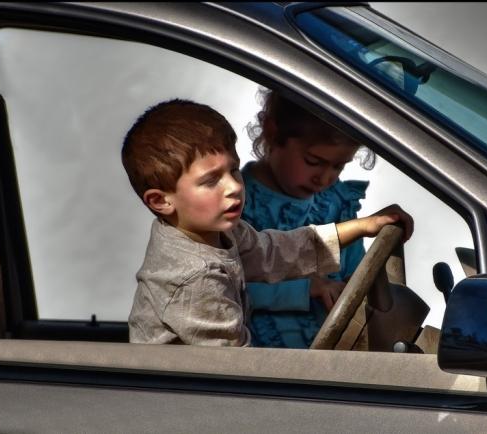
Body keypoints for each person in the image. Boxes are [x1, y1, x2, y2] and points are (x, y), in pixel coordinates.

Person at [121, 98, 413, 347]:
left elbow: (277, 251)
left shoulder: (216, 233)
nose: (234, 187)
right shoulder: (193, 279)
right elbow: (236, 372)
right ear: (161, 201)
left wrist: (362, 226)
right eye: (211, 180)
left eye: (233, 171)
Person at [241, 89, 377, 348]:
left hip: (330, 359)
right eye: (313, 161)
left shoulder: (337, 203)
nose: (324, 178)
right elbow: (224, 288)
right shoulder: (234, 205)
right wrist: (305, 289)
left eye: (338, 166)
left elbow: (357, 273)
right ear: (272, 132)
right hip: (258, 365)